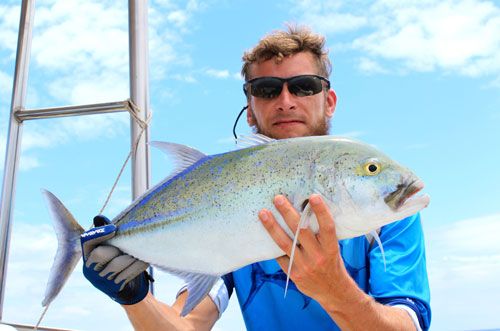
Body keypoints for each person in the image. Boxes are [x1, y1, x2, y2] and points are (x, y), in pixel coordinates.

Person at [81, 26, 431, 330]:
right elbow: (185, 326)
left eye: (304, 85)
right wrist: (133, 296)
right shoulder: (222, 197)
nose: (286, 101)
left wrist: (334, 289)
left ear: (330, 101)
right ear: (250, 110)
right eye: (266, 89)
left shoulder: (389, 214)